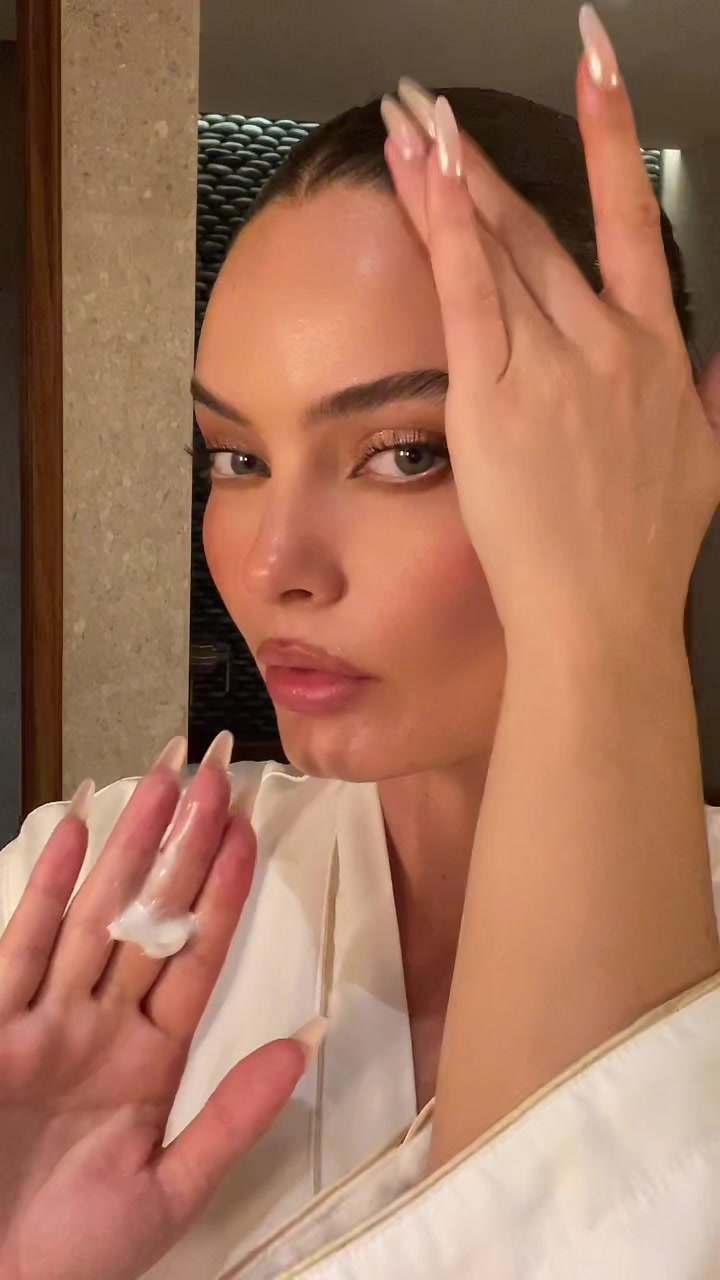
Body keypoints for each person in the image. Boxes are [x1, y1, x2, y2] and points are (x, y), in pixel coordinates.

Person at [2, 7, 720, 1278]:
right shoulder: (96, 912)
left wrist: (603, 624)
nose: (270, 566)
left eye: (404, 453)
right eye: (235, 457)